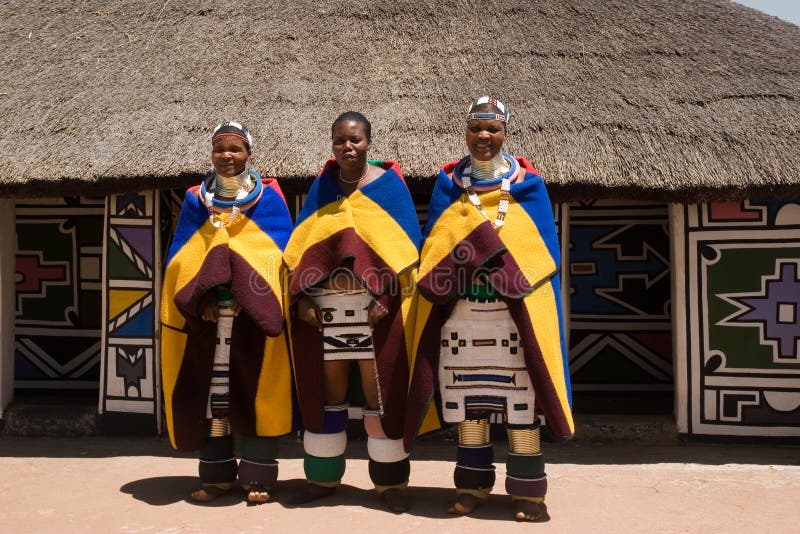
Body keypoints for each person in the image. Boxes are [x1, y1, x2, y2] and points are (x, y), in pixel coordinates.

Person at [404, 97, 574, 521]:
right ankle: (473, 487)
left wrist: (497, 262)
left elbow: (543, 254)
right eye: (476, 128)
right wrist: (464, 258)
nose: (484, 137)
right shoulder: (449, 186)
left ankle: (528, 494)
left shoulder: (529, 187)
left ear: (505, 133)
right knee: (468, 407)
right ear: (466, 131)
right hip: (462, 314)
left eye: (493, 129)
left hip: (513, 316)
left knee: (521, 407)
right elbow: (434, 250)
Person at [283, 111, 420, 513]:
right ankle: (322, 479)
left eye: (355, 140)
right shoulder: (323, 188)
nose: (348, 146)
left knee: (380, 393)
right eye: (340, 140)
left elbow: (406, 252)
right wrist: (303, 298)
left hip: (375, 309)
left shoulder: (391, 188)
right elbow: (304, 245)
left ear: (369, 143)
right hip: (327, 307)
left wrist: (387, 300)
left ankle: (390, 484)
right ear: (332, 144)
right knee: (331, 394)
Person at [160, 121, 296, 504]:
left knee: (255, 393)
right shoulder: (195, 199)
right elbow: (181, 257)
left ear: (248, 153)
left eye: (235, 149)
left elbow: (277, 255)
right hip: (206, 319)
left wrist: (247, 292)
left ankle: (258, 478)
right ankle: (217, 476)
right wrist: (199, 296)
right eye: (220, 148)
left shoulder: (268, 200)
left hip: (253, 318)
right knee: (214, 397)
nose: (227, 156)